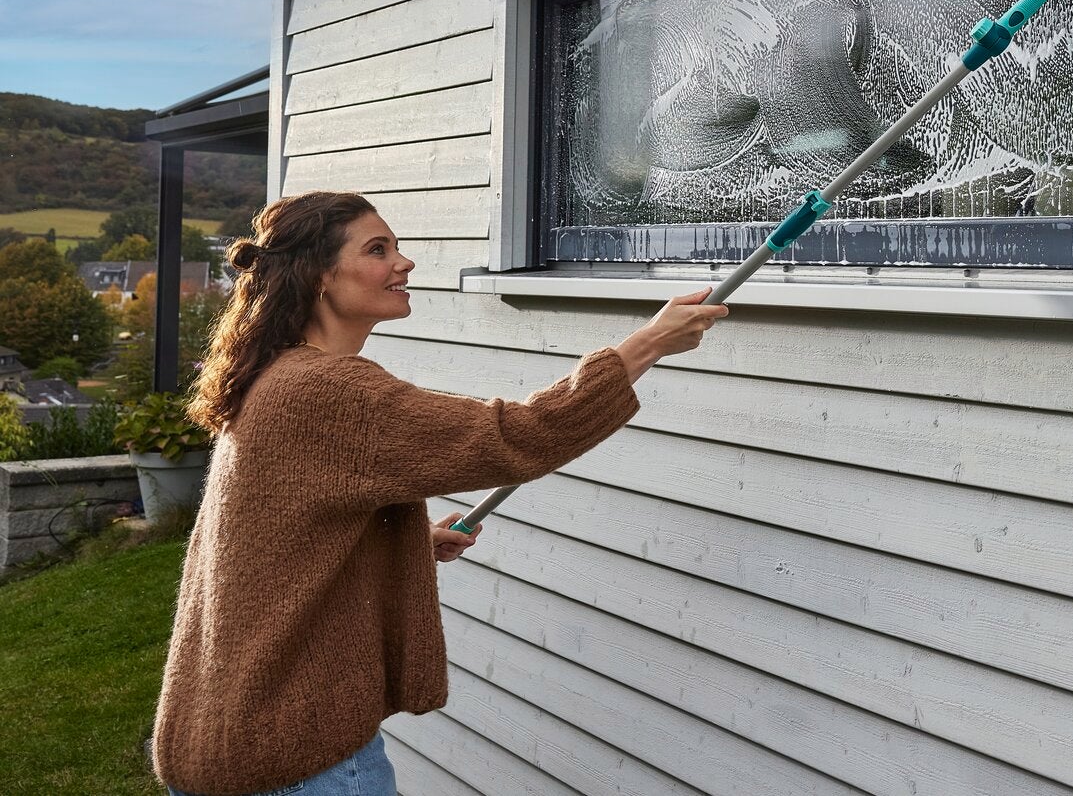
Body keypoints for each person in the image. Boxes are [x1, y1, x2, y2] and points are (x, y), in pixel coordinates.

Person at [150, 190, 727, 796]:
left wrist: (404, 541)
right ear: (319, 275)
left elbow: (268, 542)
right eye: (378, 250)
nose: (404, 262)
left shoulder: (278, 376)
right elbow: (520, 435)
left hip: (235, 738)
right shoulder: (325, 390)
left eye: (396, 248)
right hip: (297, 760)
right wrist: (648, 343)